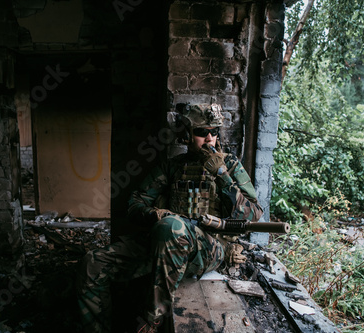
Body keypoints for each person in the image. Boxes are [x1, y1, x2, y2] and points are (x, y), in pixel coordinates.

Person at [76, 103, 263, 333]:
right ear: (187, 134)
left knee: (172, 227)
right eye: (202, 132)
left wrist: (222, 175)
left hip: (209, 248)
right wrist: (155, 214)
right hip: (165, 244)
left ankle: (153, 317)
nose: (210, 139)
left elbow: (252, 214)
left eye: (214, 131)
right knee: (92, 265)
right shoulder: (173, 167)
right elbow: (135, 204)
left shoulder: (231, 165)